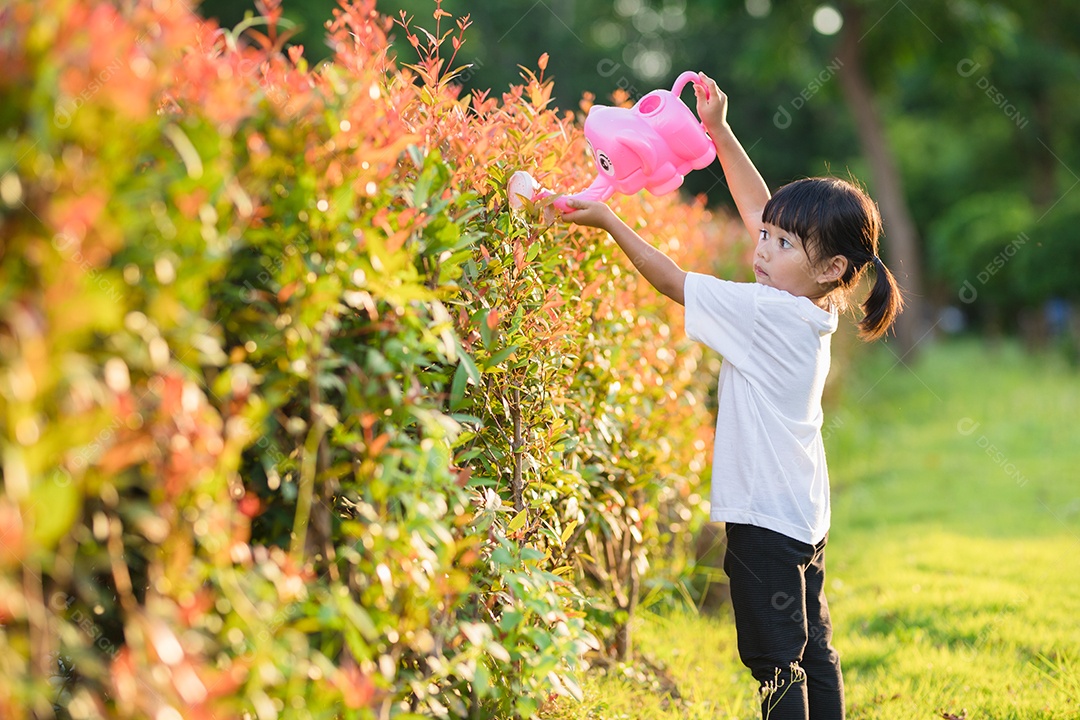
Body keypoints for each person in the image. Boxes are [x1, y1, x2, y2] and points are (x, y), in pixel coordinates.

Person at [561, 72, 903, 720]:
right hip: (802, 516)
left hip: (763, 521)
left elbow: (673, 280)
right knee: (813, 648)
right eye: (766, 237)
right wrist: (718, 131)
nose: (761, 248)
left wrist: (608, 220)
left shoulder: (765, 312)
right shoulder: (816, 305)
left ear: (830, 267)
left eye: (780, 243)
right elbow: (761, 210)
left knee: (776, 664)